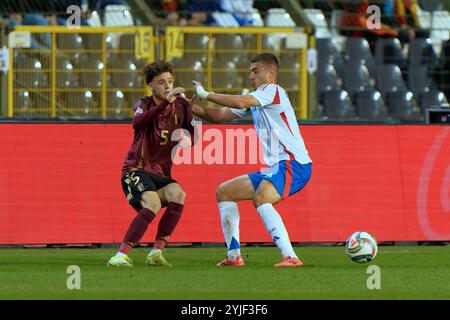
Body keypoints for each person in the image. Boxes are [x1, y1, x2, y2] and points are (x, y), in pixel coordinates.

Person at [192, 53, 312, 267]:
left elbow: (239, 100)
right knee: (225, 191)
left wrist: (205, 93)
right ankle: (234, 256)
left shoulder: (273, 91)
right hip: (276, 167)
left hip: (294, 164)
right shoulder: (257, 98)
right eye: (250, 71)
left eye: (255, 71)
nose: (251, 76)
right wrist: (188, 107)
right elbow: (218, 117)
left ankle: (291, 258)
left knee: (261, 198)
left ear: (271, 73)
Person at [107, 60, 195, 267]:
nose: (167, 86)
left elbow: (193, 133)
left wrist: (188, 137)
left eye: (170, 81)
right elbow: (137, 123)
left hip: (161, 173)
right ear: (151, 86)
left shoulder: (182, 106)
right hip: (136, 169)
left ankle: (156, 253)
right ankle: (120, 255)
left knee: (178, 194)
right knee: (153, 204)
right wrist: (165, 103)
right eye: (161, 82)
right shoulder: (143, 104)